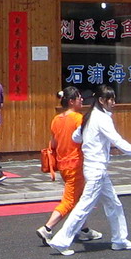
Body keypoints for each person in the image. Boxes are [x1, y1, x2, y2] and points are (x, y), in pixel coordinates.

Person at [47, 85, 131, 256]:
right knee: (84, 206)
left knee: (114, 203)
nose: (113, 102)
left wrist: (89, 141)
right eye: (110, 99)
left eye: (113, 98)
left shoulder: (89, 116)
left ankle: (120, 240)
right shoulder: (101, 118)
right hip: (96, 169)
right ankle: (61, 241)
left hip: (95, 168)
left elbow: (76, 137)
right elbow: (117, 141)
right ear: (101, 100)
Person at [36, 87, 102, 245]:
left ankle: (84, 229)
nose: (82, 99)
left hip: (62, 164)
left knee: (77, 198)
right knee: (70, 200)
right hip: (76, 164)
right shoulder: (79, 119)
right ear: (71, 101)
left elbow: (54, 143)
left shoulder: (56, 119)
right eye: (79, 97)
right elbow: (87, 141)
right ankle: (47, 228)